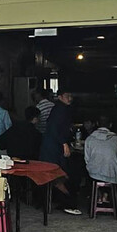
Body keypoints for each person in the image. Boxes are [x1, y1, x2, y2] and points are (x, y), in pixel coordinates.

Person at [39, 87, 82, 215]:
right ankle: (68, 202)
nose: (70, 98)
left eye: (71, 96)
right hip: (53, 148)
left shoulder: (62, 109)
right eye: (67, 96)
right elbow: (54, 128)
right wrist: (64, 143)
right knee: (58, 174)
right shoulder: (60, 110)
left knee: (59, 174)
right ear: (60, 97)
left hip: (53, 146)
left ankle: (62, 201)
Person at [84, 116, 117, 185]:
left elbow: (87, 160)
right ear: (110, 125)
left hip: (93, 175)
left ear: (97, 123)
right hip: (113, 177)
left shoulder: (89, 139)